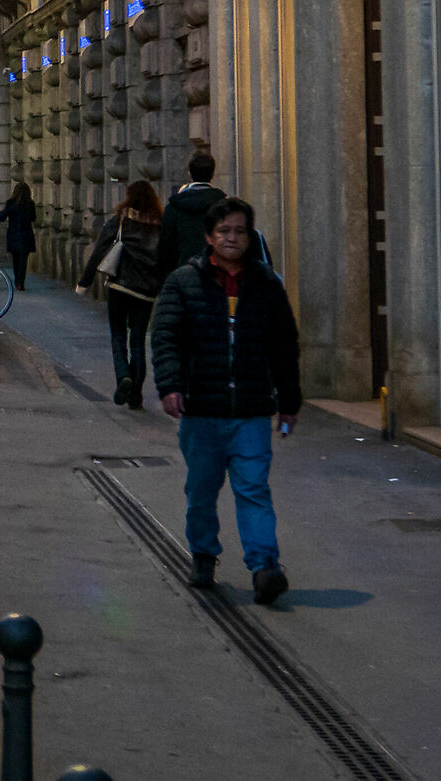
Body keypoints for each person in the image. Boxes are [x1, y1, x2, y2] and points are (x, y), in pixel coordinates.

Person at [149, 197, 302, 604]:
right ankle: (203, 554)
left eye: (240, 231)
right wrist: (170, 386)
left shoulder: (266, 284)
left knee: (253, 489)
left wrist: (289, 401)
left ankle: (265, 567)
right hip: (202, 411)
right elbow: (165, 338)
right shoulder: (184, 282)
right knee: (202, 489)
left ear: (250, 237)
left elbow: (285, 346)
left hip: (250, 410)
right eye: (224, 231)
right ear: (209, 237)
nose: (232, 238)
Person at [77, 181, 168, 406]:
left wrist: (84, 282)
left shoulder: (121, 219)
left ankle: (123, 377)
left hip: (119, 286)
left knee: (118, 336)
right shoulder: (160, 224)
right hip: (145, 291)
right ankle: (136, 395)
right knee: (138, 341)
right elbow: (165, 258)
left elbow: (100, 249)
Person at [0, 181, 36, 292]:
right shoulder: (30, 203)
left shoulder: (11, 203)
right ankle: (20, 282)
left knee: (16, 259)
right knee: (23, 260)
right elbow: (33, 218)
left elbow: (2, 216)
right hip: (26, 234)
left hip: (14, 234)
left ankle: (17, 280)